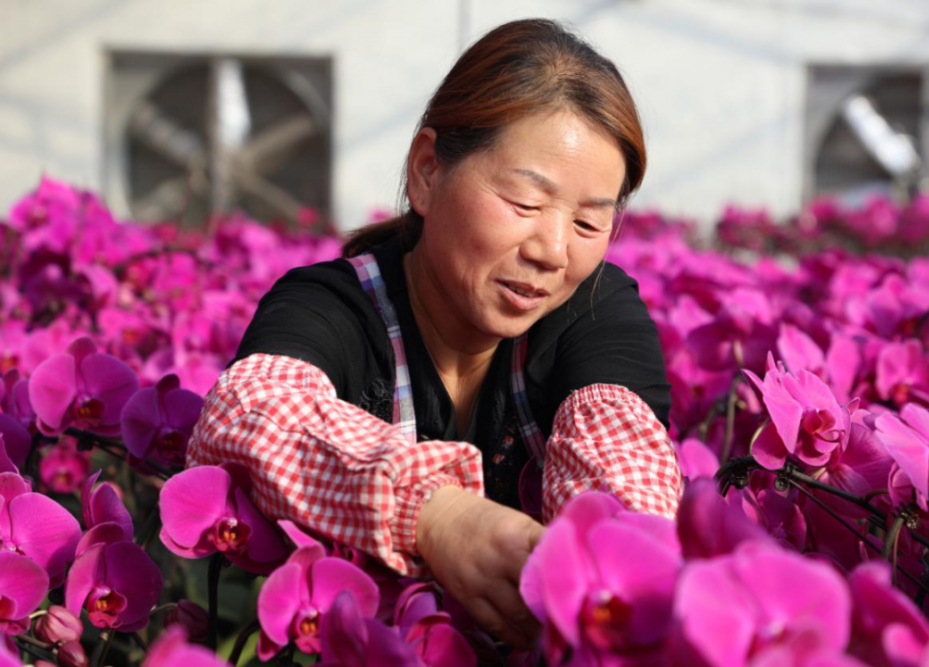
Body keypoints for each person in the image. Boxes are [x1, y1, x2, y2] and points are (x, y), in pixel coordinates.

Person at [186, 18, 682, 649]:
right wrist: (435, 513)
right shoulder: (334, 305)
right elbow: (250, 411)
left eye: (589, 223)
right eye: (526, 204)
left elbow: (624, 463)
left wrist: (606, 564)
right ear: (426, 172)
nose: (553, 251)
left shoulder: (594, 309)